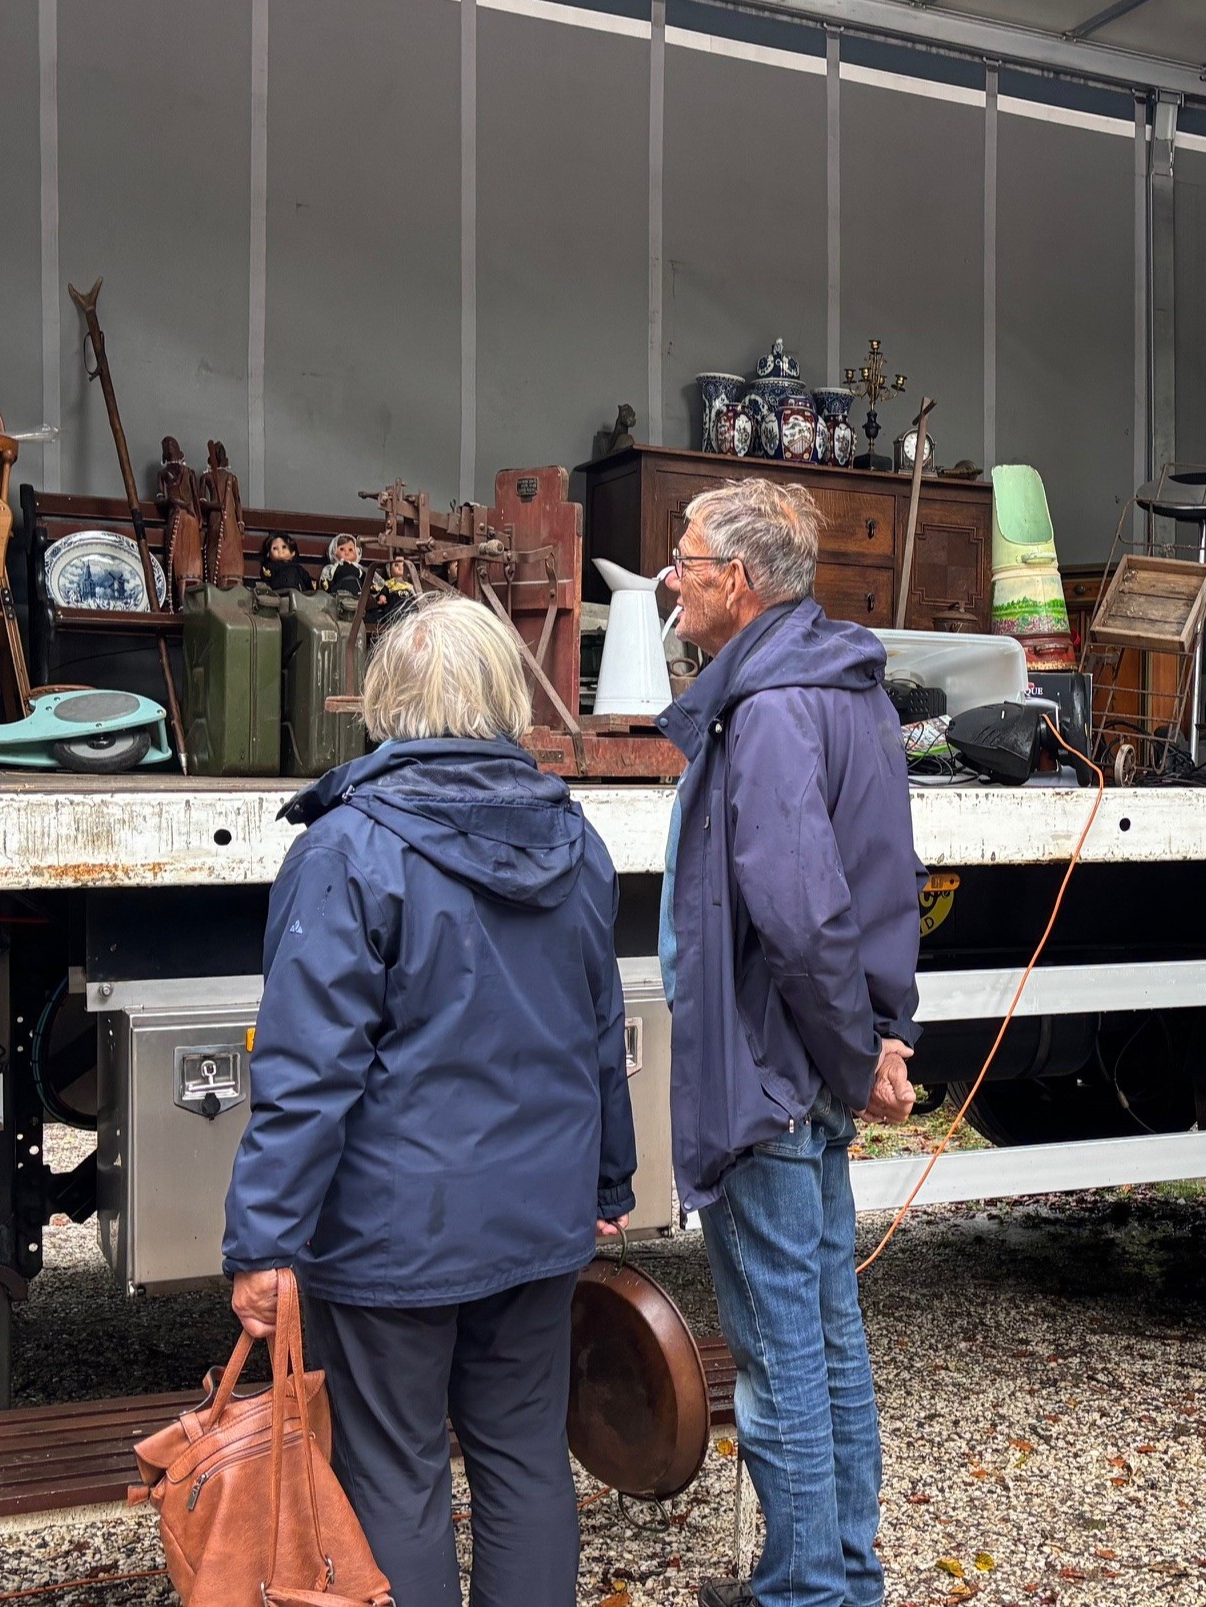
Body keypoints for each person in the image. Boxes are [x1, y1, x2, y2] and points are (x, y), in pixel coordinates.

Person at [220, 595, 635, 1607]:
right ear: (505, 696)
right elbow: (599, 1029)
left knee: (394, 1472)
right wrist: (607, 1179)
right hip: (536, 1219)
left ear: (385, 700)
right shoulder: (575, 840)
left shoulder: (347, 848)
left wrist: (264, 1239)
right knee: (525, 1456)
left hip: (391, 1235)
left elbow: (306, 1071)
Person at [655, 478, 922, 1607]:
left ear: (738, 581)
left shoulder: (767, 709)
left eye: (685, 560)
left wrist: (859, 1054)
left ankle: (808, 1591)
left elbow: (802, 915)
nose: (671, 579)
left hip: (768, 1066)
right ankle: (845, 1576)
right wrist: (877, 1037)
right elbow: (884, 878)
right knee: (826, 1329)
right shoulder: (849, 686)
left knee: (779, 1357)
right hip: (809, 1055)